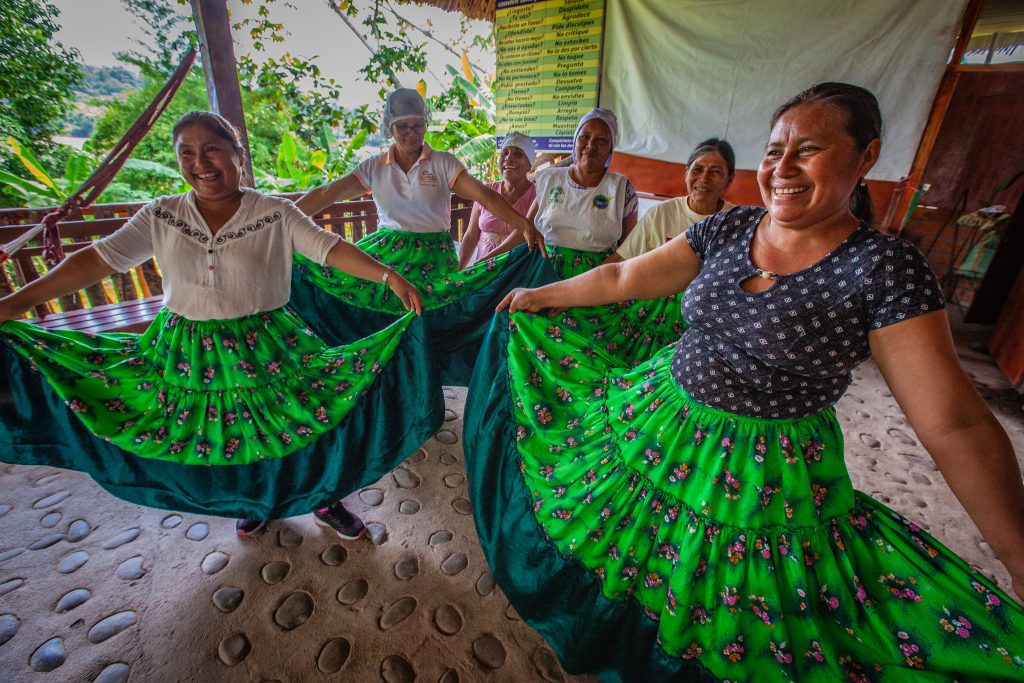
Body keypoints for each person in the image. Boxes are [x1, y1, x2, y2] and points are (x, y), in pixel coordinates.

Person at [465, 83, 1024, 681]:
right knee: (624, 543)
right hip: (659, 417)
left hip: (763, 471)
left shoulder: (882, 268)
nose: (782, 168)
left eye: (807, 150)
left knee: (732, 606)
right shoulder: (728, 230)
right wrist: (542, 295)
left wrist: (1018, 555)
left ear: (866, 157)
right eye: (775, 150)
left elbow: (953, 423)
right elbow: (624, 276)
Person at [0, 111, 436, 541]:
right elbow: (97, 260)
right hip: (186, 352)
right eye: (186, 152)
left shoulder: (274, 212)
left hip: (267, 345)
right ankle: (252, 502)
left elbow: (329, 248)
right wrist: (13, 304)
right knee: (221, 434)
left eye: (212, 149)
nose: (200, 163)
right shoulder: (162, 215)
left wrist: (389, 275)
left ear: (237, 154)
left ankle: (322, 499)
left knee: (299, 422)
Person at [287, 88, 551, 386]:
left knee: (426, 315)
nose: (411, 133)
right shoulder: (374, 167)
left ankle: (420, 383)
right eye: (403, 126)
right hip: (385, 252)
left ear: (426, 124)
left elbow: (483, 194)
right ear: (389, 127)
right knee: (363, 294)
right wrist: (279, 221)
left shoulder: (443, 162)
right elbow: (327, 194)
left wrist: (524, 224)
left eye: (418, 125)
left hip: (433, 256)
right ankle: (384, 376)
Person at [488, 107, 685, 366]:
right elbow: (527, 230)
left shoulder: (621, 189)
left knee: (593, 354)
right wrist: (488, 261)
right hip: (547, 274)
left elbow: (627, 250)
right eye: (585, 137)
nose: (590, 146)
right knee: (516, 329)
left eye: (601, 140)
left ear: (610, 148)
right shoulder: (549, 179)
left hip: (598, 280)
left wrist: (574, 294)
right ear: (575, 141)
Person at [604, 137, 736, 264]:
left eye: (715, 172)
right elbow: (621, 260)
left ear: (729, 180)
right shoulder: (661, 214)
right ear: (686, 173)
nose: (704, 178)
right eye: (697, 170)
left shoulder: (737, 221)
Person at [457, 132, 537, 269]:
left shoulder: (537, 196)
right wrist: (459, 271)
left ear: (530, 165)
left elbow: (524, 236)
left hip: (519, 270)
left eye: (517, 154)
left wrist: (486, 262)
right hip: (482, 271)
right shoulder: (486, 192)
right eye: (504, 153)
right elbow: (471, 237)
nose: (509, 158)